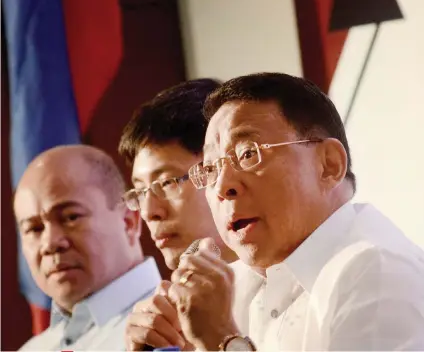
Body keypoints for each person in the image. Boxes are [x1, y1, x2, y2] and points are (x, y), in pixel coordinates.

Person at [166, 72, 424, 351]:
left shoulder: (374, 272)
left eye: (248, 153)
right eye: (210, 168)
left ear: (329, 164)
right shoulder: (236, 286)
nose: (223, 186)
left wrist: (222, 340)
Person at [118, 78, 237, 351]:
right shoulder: (169, 319)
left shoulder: (305, 288)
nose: (149, 212)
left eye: (167, 183)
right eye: (139, 192)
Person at [14, 145, 161, 351]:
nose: (50, 243)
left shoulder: (182, 327)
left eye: (71, 217)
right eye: (34, 229)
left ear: (129, 221)